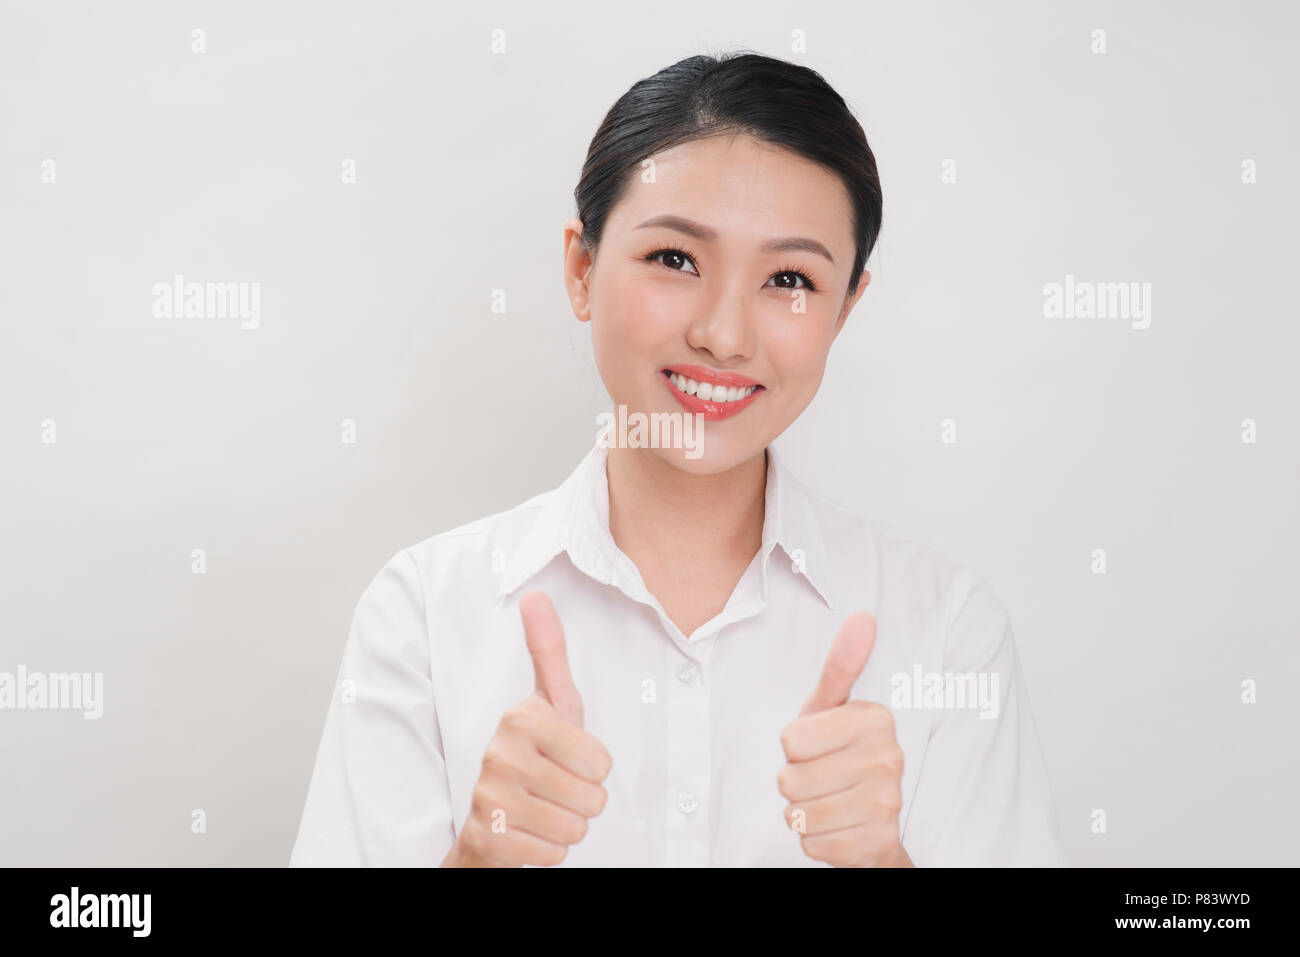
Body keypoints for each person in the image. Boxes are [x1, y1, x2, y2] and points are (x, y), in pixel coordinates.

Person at [289, 51, 1067, 867]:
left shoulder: (946, 629)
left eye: (790, 277)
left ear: (844, 310)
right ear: (581, 268)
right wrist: (478, 859)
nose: (723, 335)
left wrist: (886, 862)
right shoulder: (422, 616)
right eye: (675, 259)